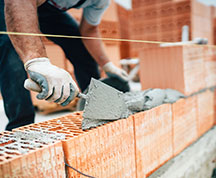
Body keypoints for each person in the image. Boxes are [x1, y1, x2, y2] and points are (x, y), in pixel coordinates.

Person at [0, 0, 128, 130]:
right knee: (11, 50)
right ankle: (21, 127)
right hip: (12, 3)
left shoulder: (100, 2)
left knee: (79, 45)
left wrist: (107, 65)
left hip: (48, 9)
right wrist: (37, 61)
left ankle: (96, 107)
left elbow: (89, 31)